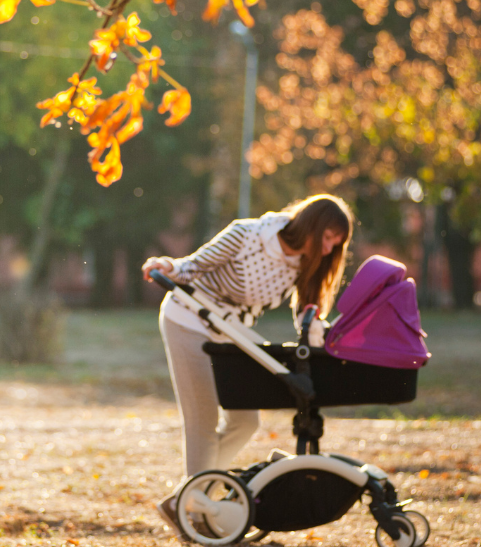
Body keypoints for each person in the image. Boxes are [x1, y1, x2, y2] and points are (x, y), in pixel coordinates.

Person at [140, 194, 354, 535]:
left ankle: (186, 499)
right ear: (312, 225)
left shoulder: (305, 263)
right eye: (328, 238)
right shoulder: (248, 235)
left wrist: (324, 342)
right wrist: (166, 266)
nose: (329, 249)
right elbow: (193, 265)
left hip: (231, 332)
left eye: (336, 244)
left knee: (245, 421)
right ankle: (195, 513)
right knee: (203, 420)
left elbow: (308, 315)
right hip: (189, 319)